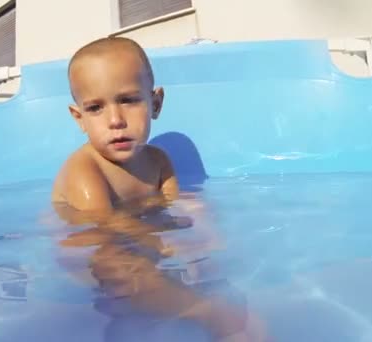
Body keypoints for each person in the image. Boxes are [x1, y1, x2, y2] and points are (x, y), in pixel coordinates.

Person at [51, 36, 268, 341]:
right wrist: (162, 245)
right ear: (80, 118)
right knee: (118, 270)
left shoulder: (159, 161)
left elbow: (176, 205)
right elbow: (104, 229)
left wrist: (201, 239)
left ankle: (205, 292)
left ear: (155, 103)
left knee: (199, 227)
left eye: (128, 100)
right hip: (91, 248)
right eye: (96, 108)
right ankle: (206, 312)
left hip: (136, 238)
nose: (115, 120)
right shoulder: (84, 171)